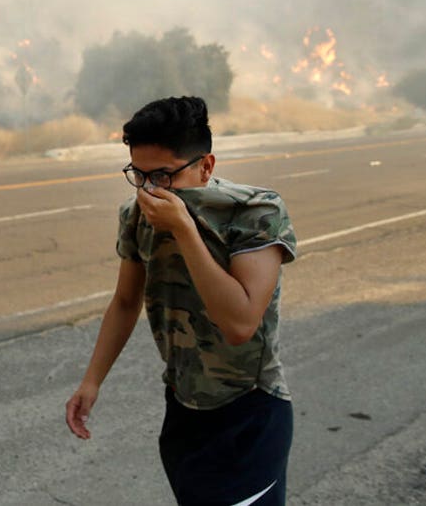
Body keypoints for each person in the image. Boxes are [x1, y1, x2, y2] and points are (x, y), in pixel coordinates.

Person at [64, 96, 297, 505]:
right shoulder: (137, 215)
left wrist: (185, 231)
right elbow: (124, 302)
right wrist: (91, 381)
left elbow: (241, 324)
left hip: (248, 414)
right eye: (139, 175)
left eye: (164, 176)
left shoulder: (254, 212)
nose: (151, 189)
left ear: (206, 166)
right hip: (183, 411)